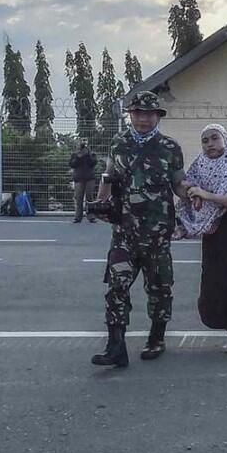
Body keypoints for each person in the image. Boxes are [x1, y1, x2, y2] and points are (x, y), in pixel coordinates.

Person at [88, 90, 190, 368]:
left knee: (159, 288)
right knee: (116, 286)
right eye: (137, 114)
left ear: (158, 116)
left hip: (157, 233)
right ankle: (116, 346)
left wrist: (192, 194)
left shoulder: (170, 147)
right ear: (130, 115)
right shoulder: (119, 143)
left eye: (149, 114)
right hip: (124, 231)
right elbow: (109, 175)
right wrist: (100, 203)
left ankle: (156, 339)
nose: (143, 119)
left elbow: (178, 183)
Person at [177, 124, 227, 359]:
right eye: (205, 140)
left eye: (215, 138)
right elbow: (187, 189)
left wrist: (208, 196)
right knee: (216, 288)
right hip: (213, 235)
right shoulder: (200, 165)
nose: (210, 144)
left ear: (225, 139)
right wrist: (191, 191)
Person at [69, 140, 98, 223]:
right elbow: (72, 164)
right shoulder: (75, 155)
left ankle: (91, 216)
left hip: (90, 178)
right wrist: (79, 157)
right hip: (78, 178)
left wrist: (88, 155)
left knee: (89, 197)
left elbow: (93, 163)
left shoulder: (92, 154)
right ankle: (78, 217)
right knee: (79, 198)